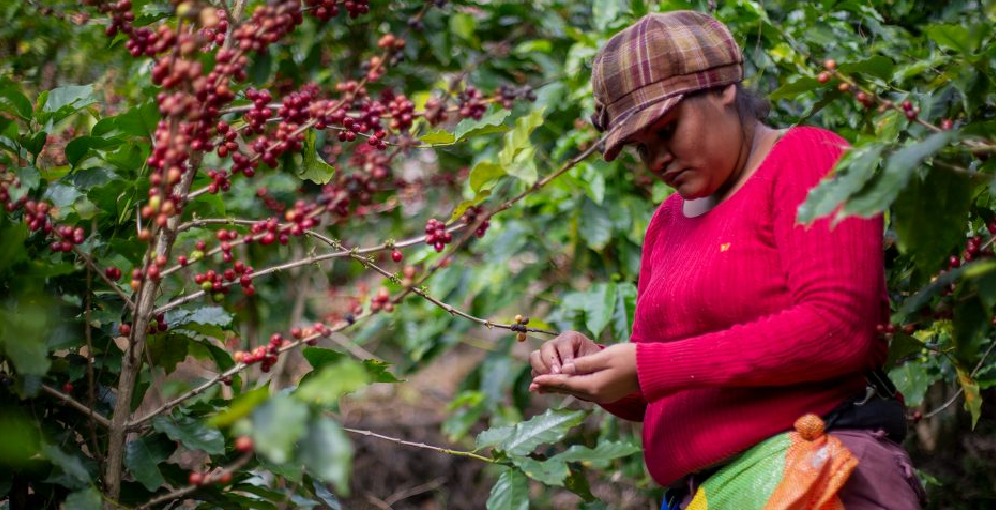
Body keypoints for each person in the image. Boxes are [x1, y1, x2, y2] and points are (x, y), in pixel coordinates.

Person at [528, 10, 926, 510]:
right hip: (706, 495)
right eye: (640, 148)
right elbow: (668, 386)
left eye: (668, 129)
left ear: (723, 88)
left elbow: (836, 330)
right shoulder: (666, 222)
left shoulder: (809, 156)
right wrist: (597, 372)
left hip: (813, 478)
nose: (656, 162)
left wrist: (648, 365)